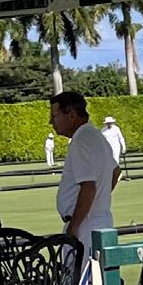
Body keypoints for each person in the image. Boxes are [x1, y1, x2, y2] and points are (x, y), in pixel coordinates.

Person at [51, 92, 121, 260]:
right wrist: (99, 199)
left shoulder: (81, 140)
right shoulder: (96, 135)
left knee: (83, 276)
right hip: (98, 221)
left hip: (84, 225)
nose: (51, 122)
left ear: (71, 115)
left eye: (54, 116)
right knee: (97, 274)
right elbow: (116, 171)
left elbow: (88, 187)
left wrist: (74, 227)